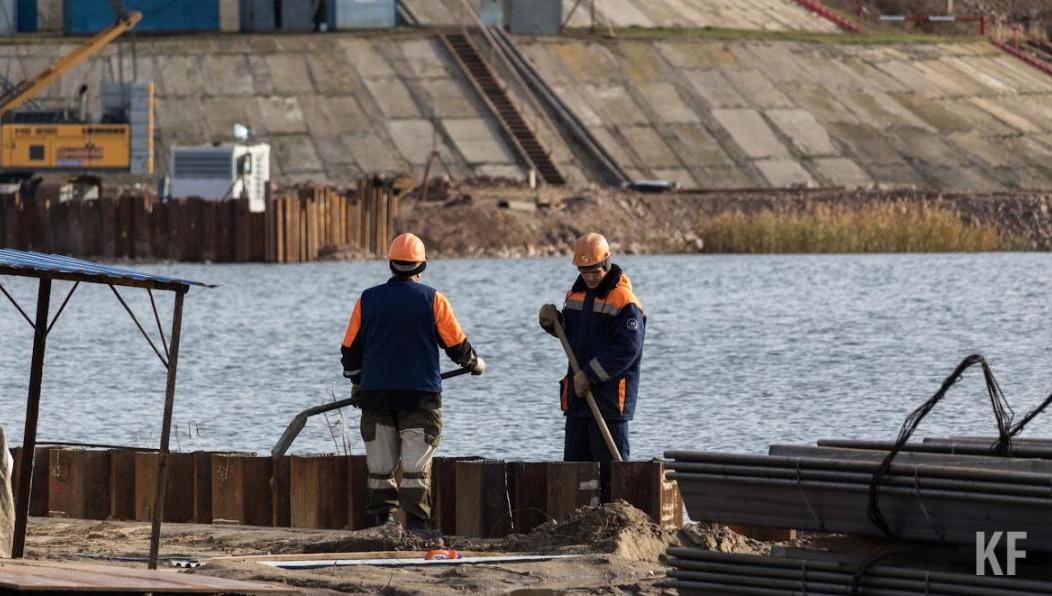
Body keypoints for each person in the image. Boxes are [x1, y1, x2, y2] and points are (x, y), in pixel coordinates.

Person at [341, 233, 485, 537]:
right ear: (423, 265)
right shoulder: (433, 299)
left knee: (380, 466)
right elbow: (456, 345)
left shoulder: (367, 299)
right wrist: (474, 364)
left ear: (391, 264)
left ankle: (382, 523)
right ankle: (418, 525)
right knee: (416, 466)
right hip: (420, 397)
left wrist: (357, 382)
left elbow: (350, 351)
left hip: (376, 396)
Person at [540, 233, 645, 500]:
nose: (589, 277)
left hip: (609, 403)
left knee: (611, 474)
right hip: (578, 401)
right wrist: (553, 323)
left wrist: (590, 375)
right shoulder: (575, 295)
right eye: (583, 271)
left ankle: (616, 523)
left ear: (606, 263)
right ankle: (579, 524)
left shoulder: (624, 302)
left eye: (594, 271)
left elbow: (628, 349)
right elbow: (573, 337)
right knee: (575, 470)